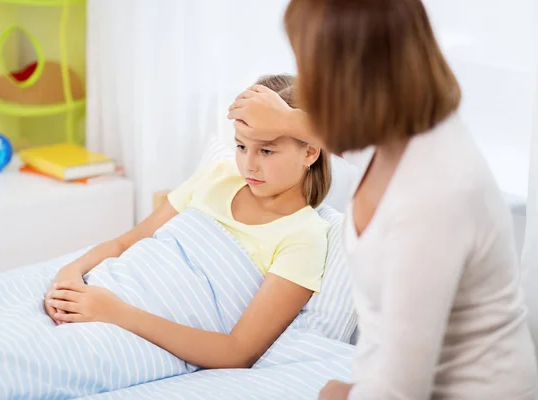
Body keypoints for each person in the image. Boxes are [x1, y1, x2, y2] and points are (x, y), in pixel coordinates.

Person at [227, 0, 538, 399]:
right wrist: (286, 120)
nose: (308, 82)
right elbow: (350, 144)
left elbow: (398, 391)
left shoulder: (435, 195)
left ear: (355, 74)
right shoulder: (408, 134)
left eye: (314, 66)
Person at [44, 74, 333, 370]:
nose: (249, 164)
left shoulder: (303, 237)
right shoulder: (219, 175)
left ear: (310, 151)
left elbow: (236, 352)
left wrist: (113, 311)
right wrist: (72, 270)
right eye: (241, 147)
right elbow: (126, 242)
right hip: (103, 291)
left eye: (267, 150)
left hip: (124, 327)